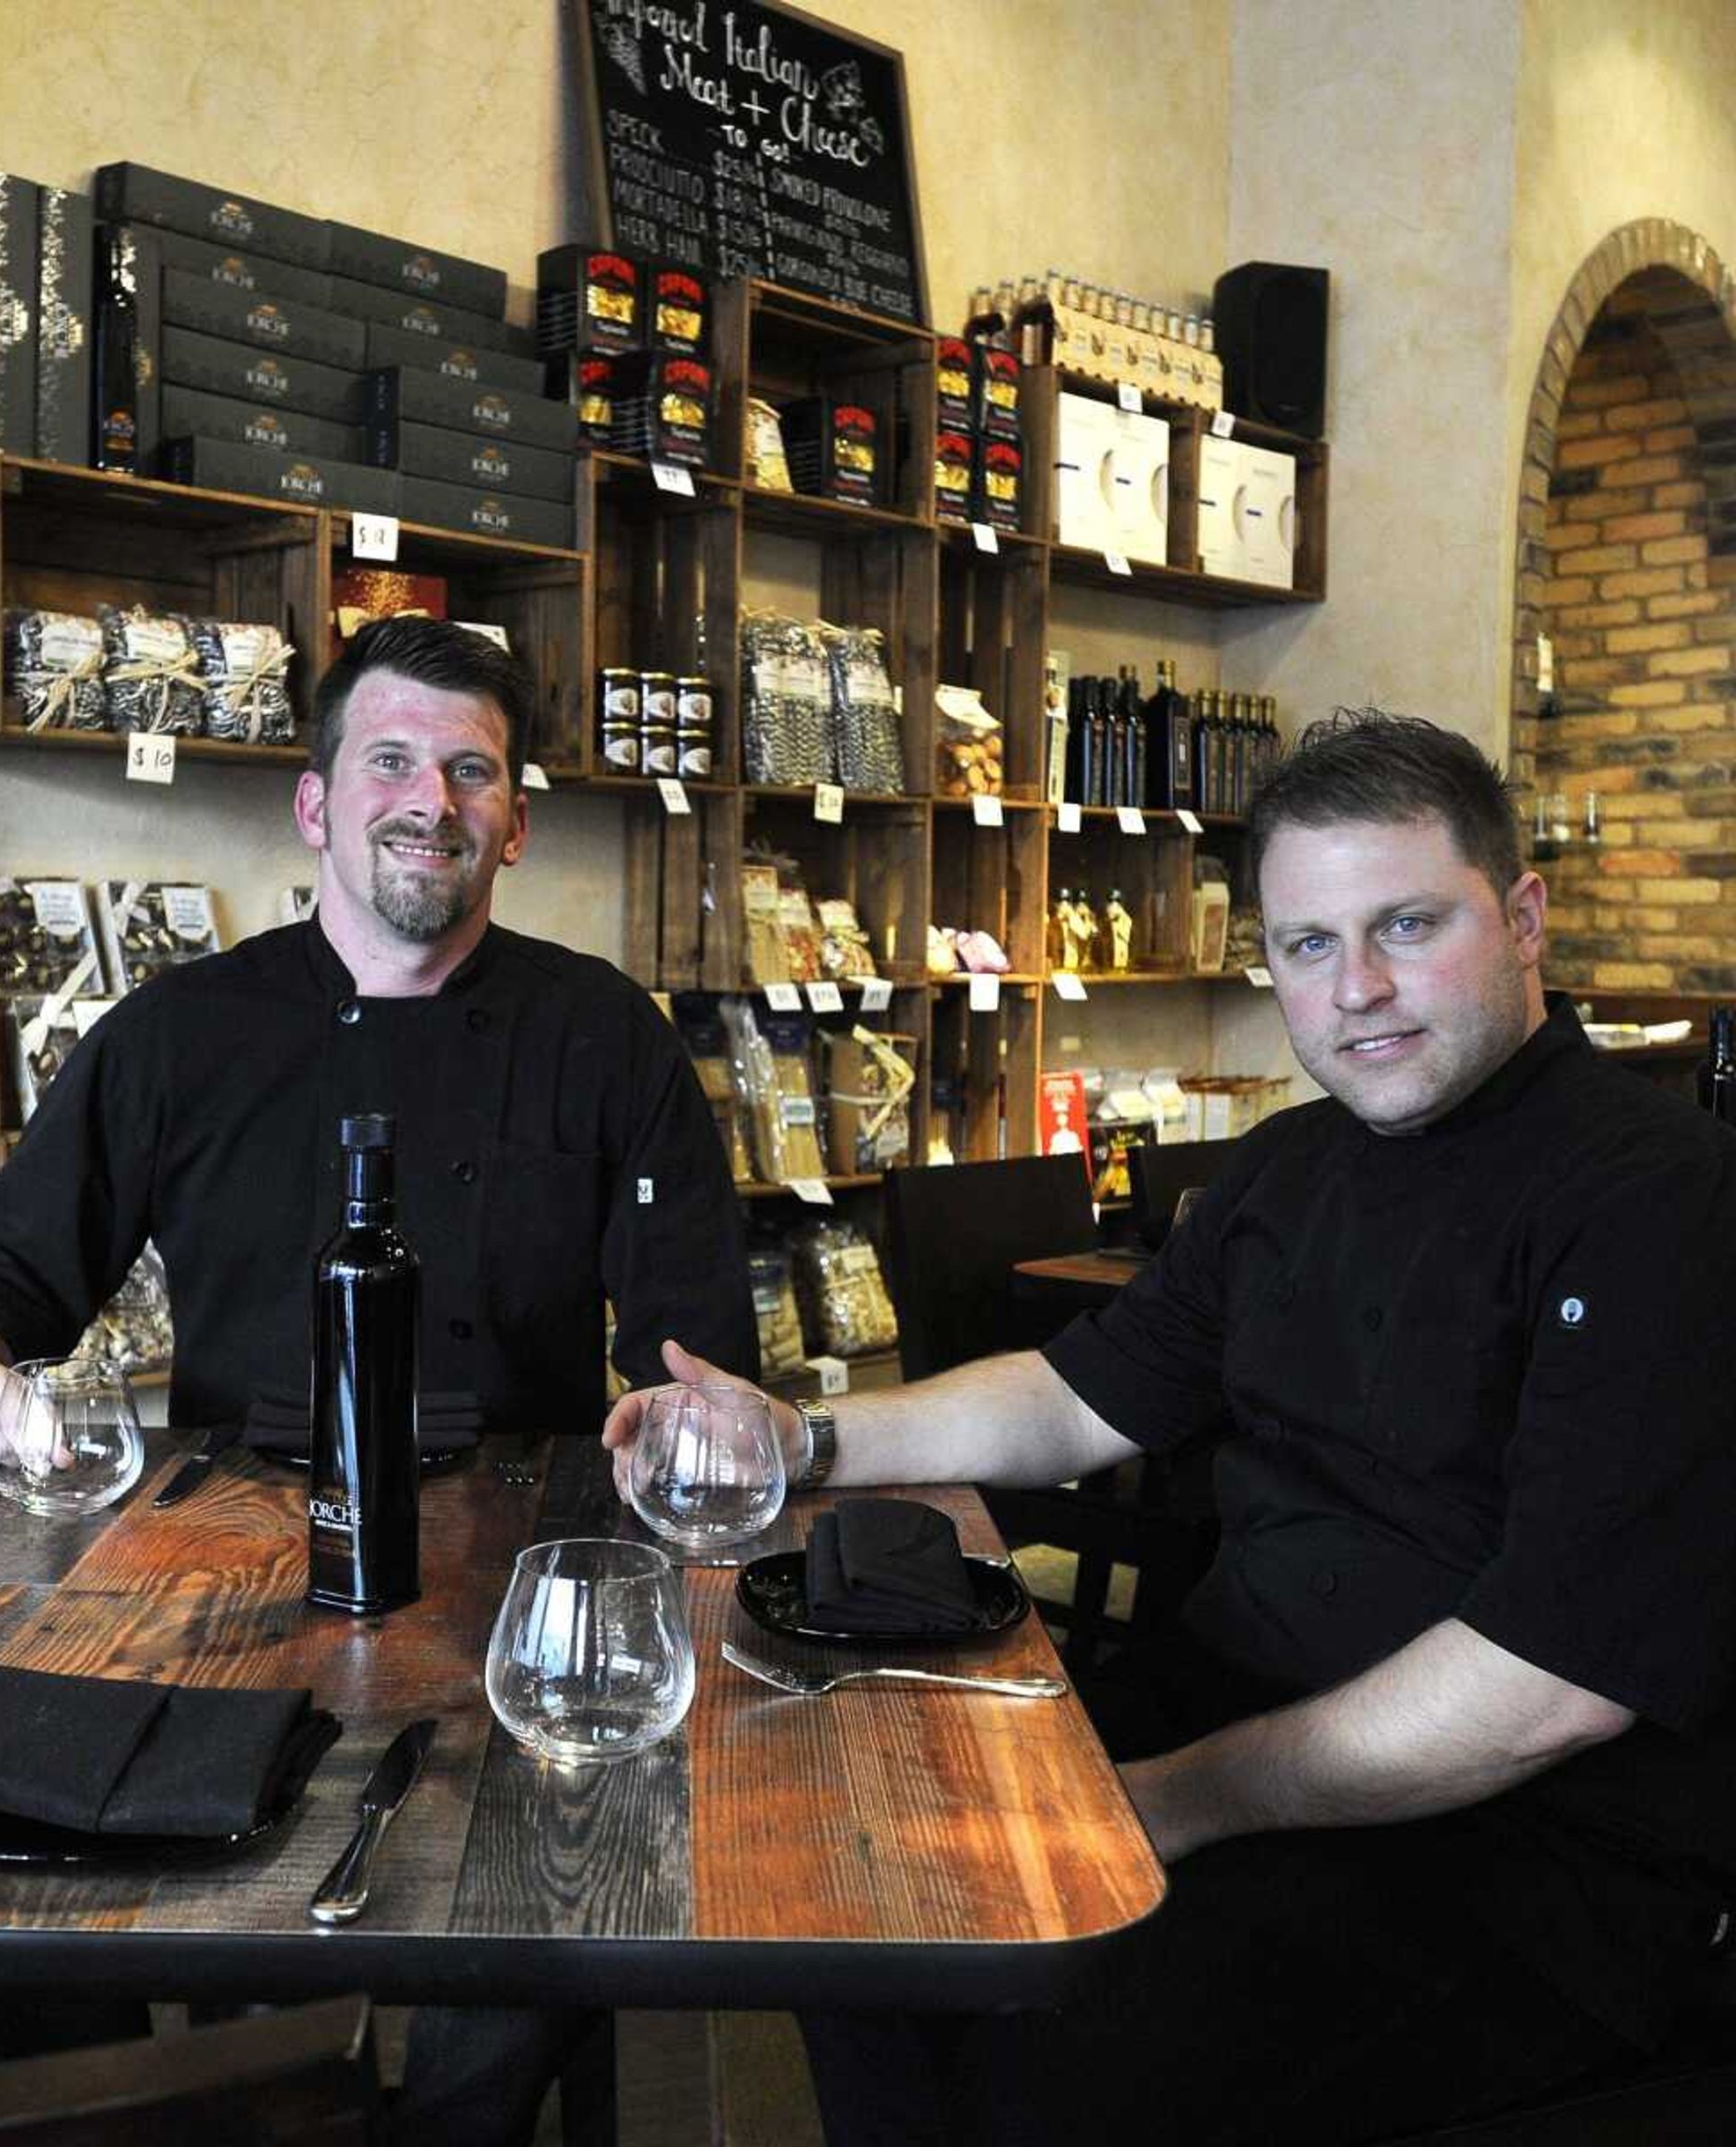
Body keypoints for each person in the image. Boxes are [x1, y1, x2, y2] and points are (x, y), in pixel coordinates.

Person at [606, 712, 1736, 2145]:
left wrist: (1170, 1804)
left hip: (1524, 1856)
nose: (1360, 989)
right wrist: (802, 1439)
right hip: (1237, 1718)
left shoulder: (1664, 1202)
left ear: (1524, 916)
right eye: (1308, 945)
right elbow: (1078, 1390)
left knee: (1047, 2059)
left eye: (1407, 924)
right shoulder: (1285, 1169)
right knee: (862, 1909)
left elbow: (1551, 1685)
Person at [0, 615, 758, 2139]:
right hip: (211, 1564)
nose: (429, 799)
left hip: (521, 1582)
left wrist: (692, 1412)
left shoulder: (606, 1036)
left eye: (471, 770)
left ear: (513, 819)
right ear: (314, 803)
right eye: (390, 759)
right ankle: (187, 2101)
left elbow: (697, 1350)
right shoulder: (180, 1031)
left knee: (522, 1942)